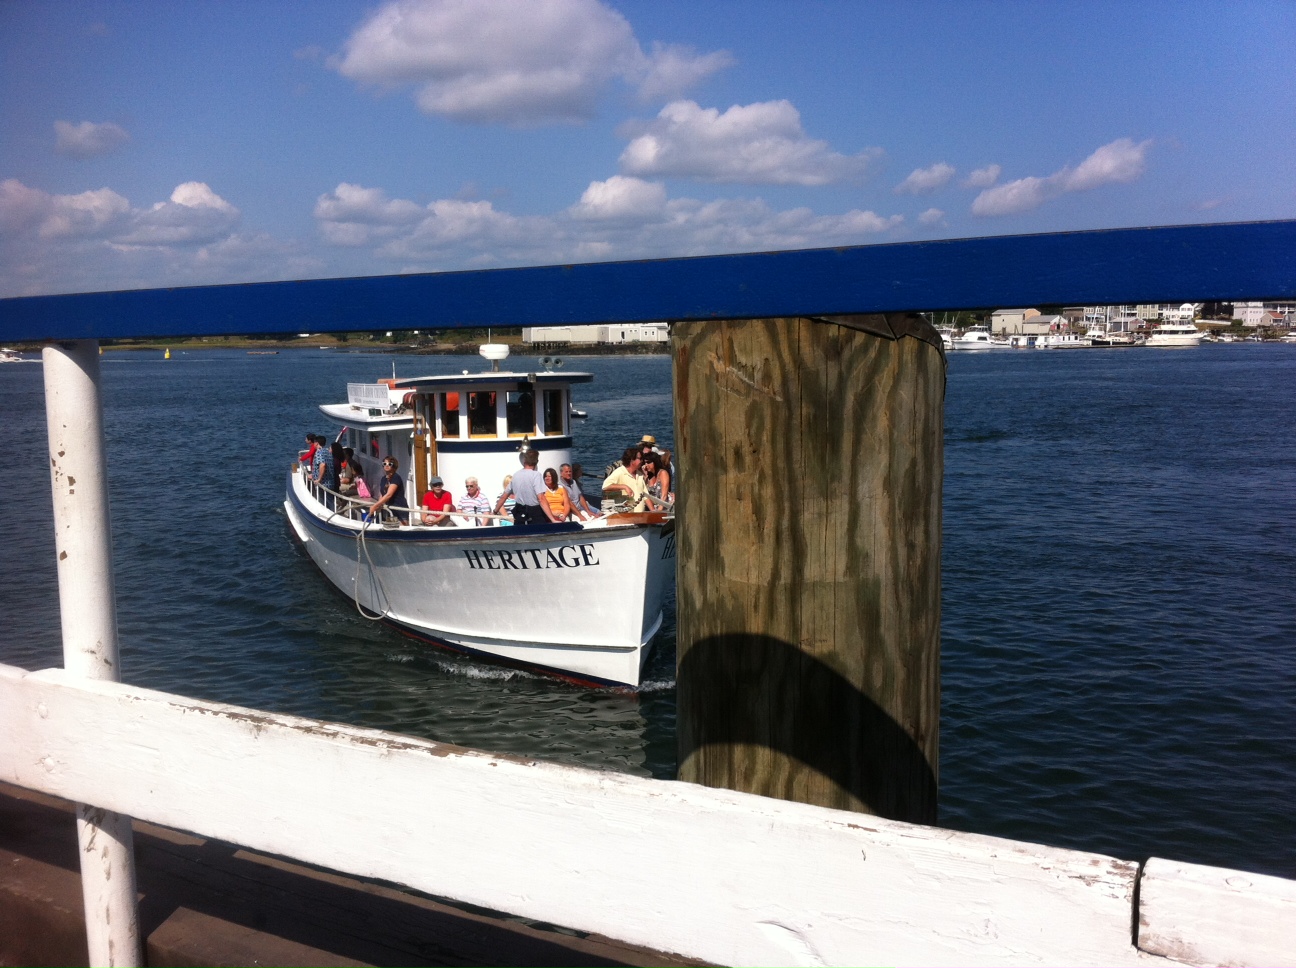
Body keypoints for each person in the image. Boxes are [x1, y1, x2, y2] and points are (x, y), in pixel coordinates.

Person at [494, 449, 546, 525]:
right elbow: (541, 498)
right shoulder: (536, 475)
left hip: (520, 513)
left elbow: (503, 497)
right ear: (536, 461)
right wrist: (552, 518)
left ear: (524, 461)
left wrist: (495, 511)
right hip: (535, 514)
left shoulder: (516, 475)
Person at [365, 455, 406, 523]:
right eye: (384, 464)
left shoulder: (396, 478)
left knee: (402, 530)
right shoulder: (384, 479)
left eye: (389, 464)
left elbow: (389, 495)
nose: (386, 465)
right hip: (389, 509)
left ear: (394, 466)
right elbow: (382, 494)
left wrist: (375, 506)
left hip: (399, 508)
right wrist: (378, 505)